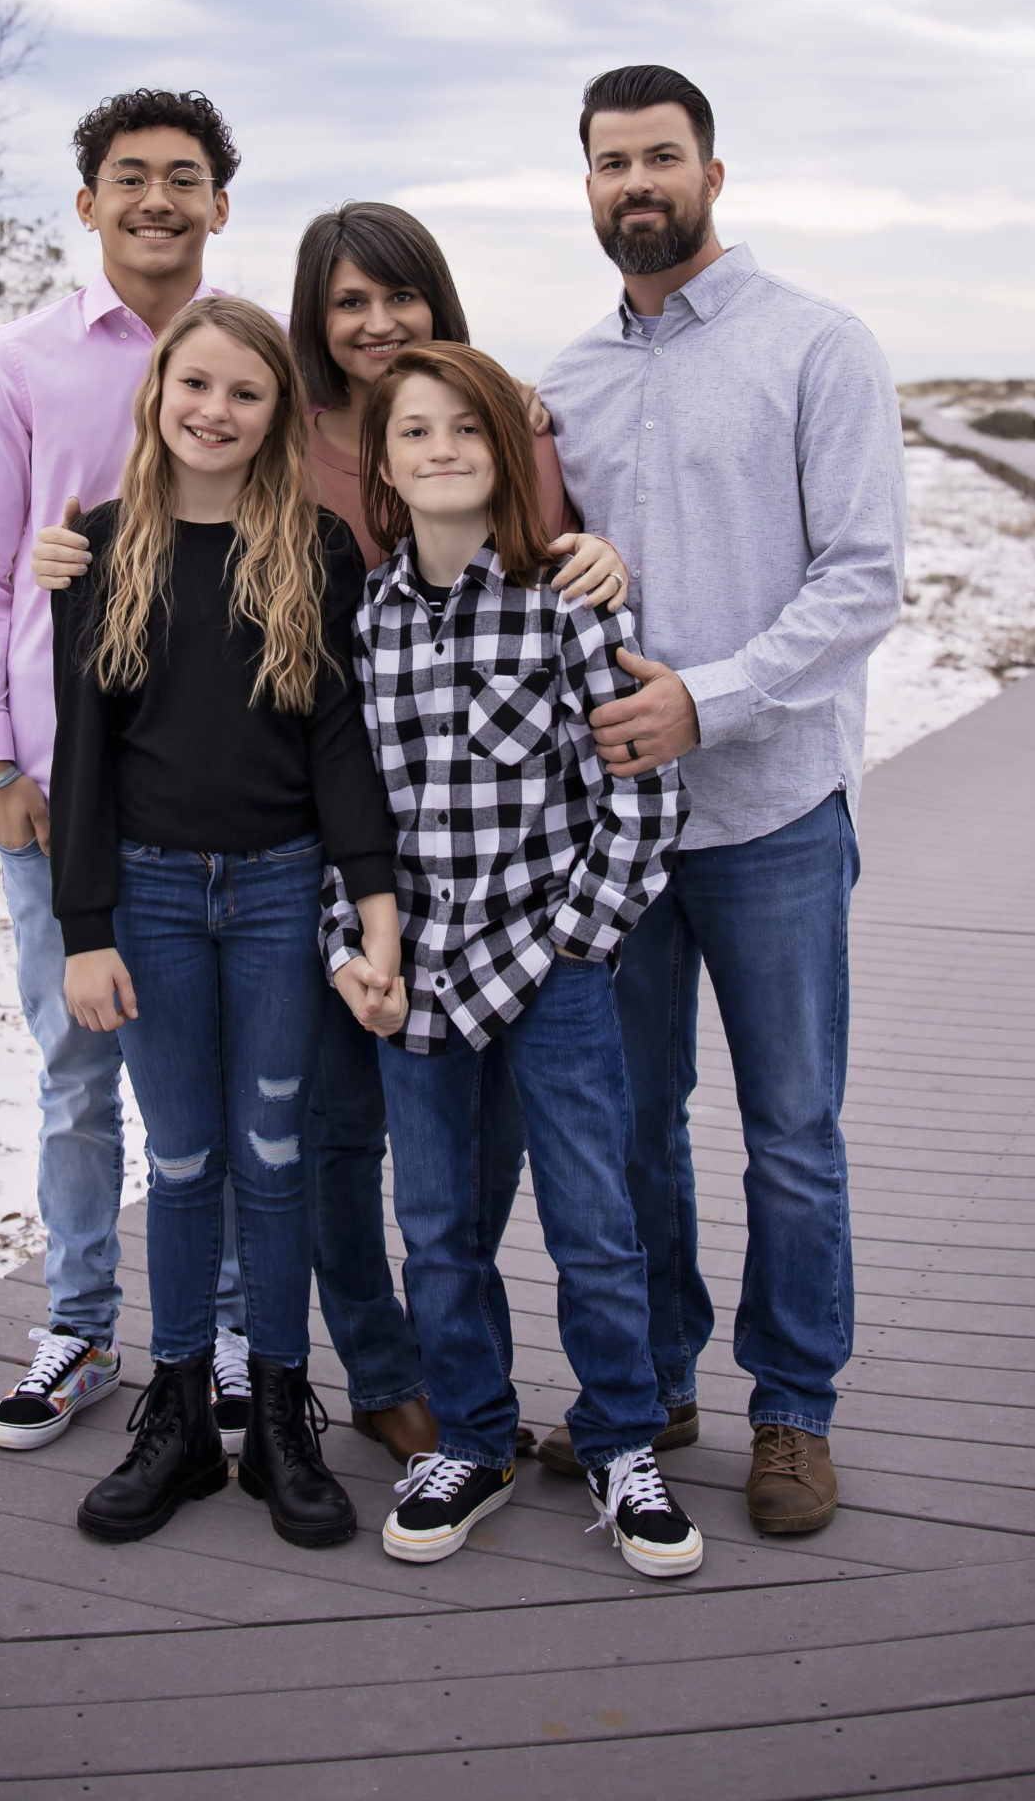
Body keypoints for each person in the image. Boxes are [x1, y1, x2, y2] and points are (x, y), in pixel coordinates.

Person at [32, 197, 632, 1464]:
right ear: (314, 317)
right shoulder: (277, 437)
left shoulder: (492, 414)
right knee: (330, 1134)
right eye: (348, 300)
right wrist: (63, 554)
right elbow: (169, 553)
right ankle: (376, 1366)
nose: (375, 321)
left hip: (485, 878)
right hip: (310, 867)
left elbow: (548, 558)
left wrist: (603, 558)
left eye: (398, 296)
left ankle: (481, 1377)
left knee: (475, 1157)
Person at [533, 63, 906, 1535]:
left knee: (791, 1130)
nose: (636, 183)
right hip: (613, 830)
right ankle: (657, 1378)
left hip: (769, 812)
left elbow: (862, 582)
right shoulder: (559, 383)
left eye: (660, 158)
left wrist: (711, 697)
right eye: (610, 162)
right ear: (584, 186)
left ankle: (793, 1410)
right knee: (632, 1127)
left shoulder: (814, 347)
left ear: (711, 173)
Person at [324, 340, 703, 1579]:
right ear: (382, 464)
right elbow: (349, 817)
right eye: (414, 432)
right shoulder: (368, 623)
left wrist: (579, 947)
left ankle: (619, 1438)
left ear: (505, 451)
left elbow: (642, 796)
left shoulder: (565, 601)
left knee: (594, 1219)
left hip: (553, 967)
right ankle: (476, 1437)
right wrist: (352, 948)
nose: (441, 450)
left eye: (466, 430)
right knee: (436, 1227)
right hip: (419, 977)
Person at [51, 297, 403, 1548]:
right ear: (157, 393)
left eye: (245, 393)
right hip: (145, 896)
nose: (215, 410)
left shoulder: (314, 546)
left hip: (276, 890)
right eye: (194, 384)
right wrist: (83, 925)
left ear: (275, 419)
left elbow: (342, 745)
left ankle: (283, 1416)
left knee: (276, 1152)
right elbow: (82, 758)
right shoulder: (99, 550)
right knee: (185, 1156)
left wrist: (373, 911)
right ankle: (185, 1408)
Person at [0, 86, 252, 1454]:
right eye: (129, 178)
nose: (156, 202)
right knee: (74, 1070)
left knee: (225, 1074)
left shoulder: (257, 354)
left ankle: (238, 1335)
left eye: (183, 179)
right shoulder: (17, 361)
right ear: (87, 204)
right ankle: (75, 1328)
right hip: (56, 784)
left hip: (220, 790)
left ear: (217, 207)